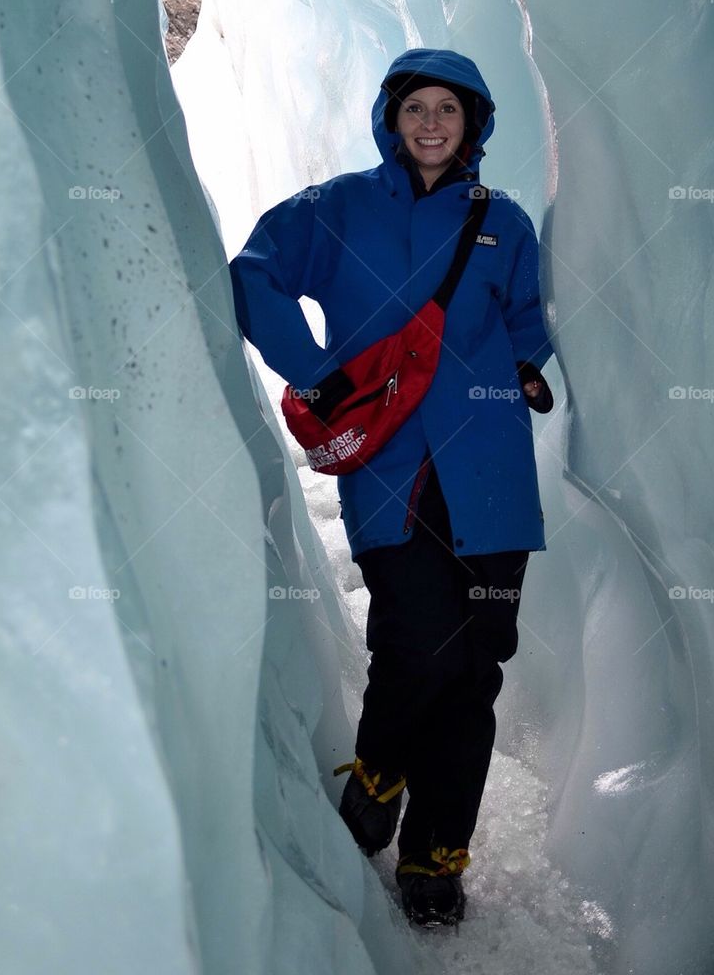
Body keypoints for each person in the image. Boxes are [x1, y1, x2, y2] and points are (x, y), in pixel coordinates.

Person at [229, 48, 555, 927]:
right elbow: (251, 276)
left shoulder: (504, 222)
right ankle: (380, 769)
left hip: (489, 471)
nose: (432, 124)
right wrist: (315, 372)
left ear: (474, 122)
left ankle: (435, 856)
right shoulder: (334, 208)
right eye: (417, 108)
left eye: (449, 109)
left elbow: (529, 320)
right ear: (392, 117)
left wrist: (524, 368)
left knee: (476, 664)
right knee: (421, 644)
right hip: (390, 465)